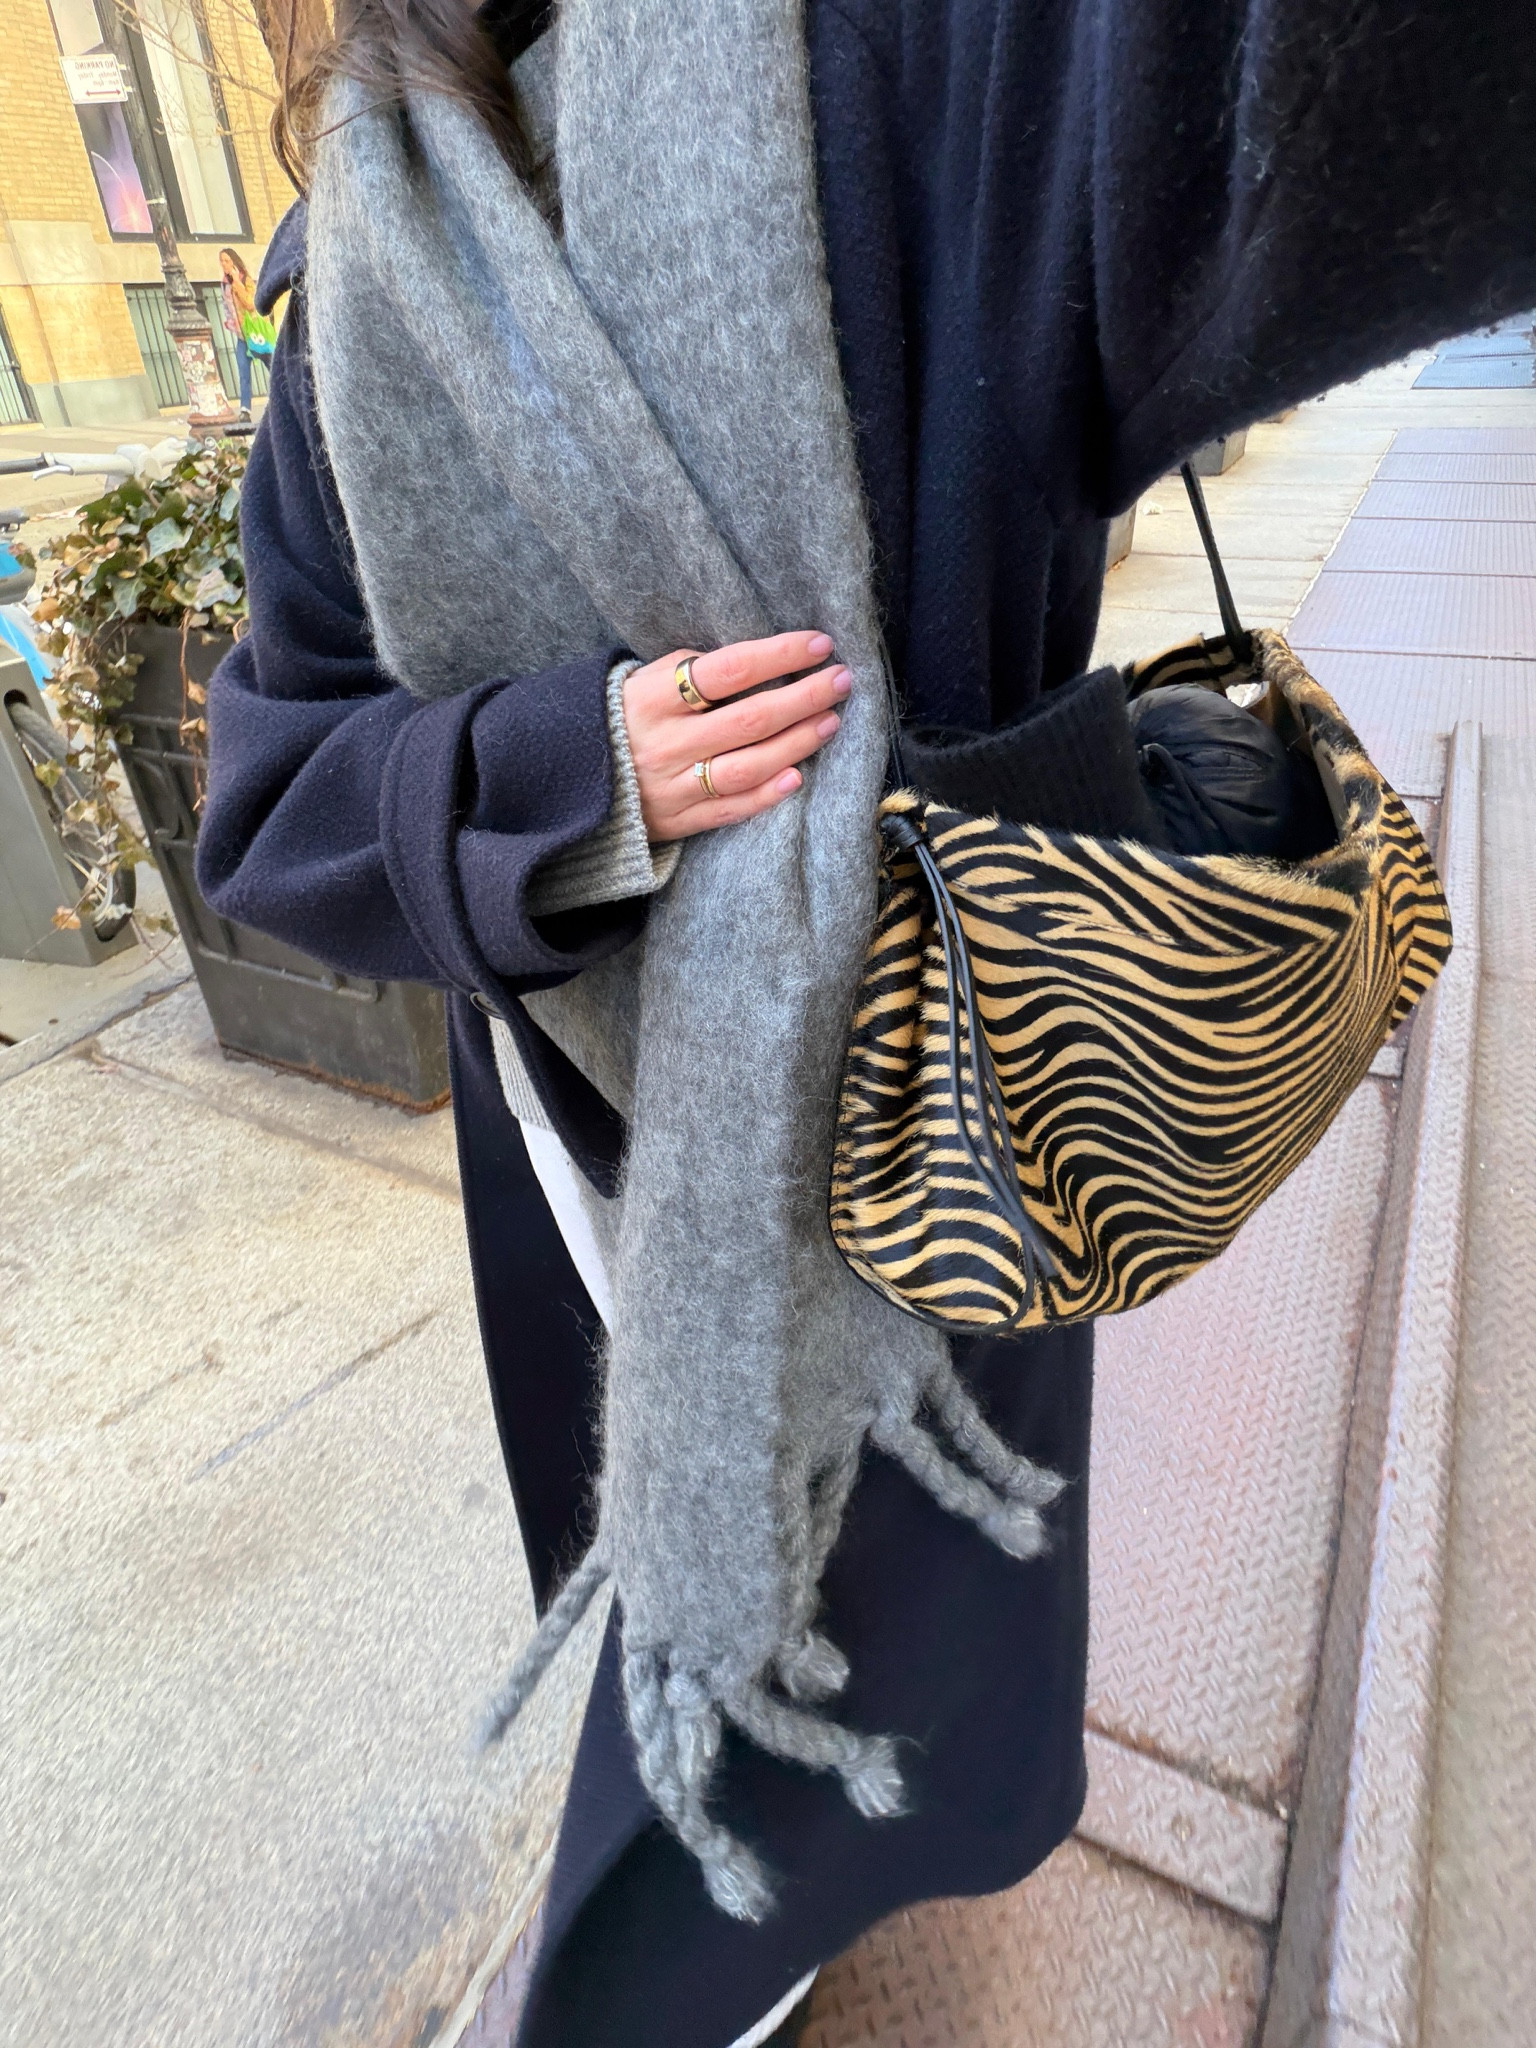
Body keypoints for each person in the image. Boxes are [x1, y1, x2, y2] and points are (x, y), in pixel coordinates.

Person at [197, 3, 1536, 2044]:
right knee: (705, 1611)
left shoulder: (941, 57)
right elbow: (272, 786)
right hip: (586, 1146)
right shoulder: (367, 239)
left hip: (940, 1090)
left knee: (868, 1641)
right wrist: (571, 770)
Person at [217, 246, 255, 420]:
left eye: (227, 260)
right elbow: (226, 306)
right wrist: (230, 323)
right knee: (243, 372)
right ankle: (245, 410)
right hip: (241, 336)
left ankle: (287, 397)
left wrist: (237, 283)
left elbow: (250, 303)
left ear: (234, 262)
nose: (224, 264)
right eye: (221, 261)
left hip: (255, 333)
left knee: (273, 367)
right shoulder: (224, 284)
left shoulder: (246, 279)